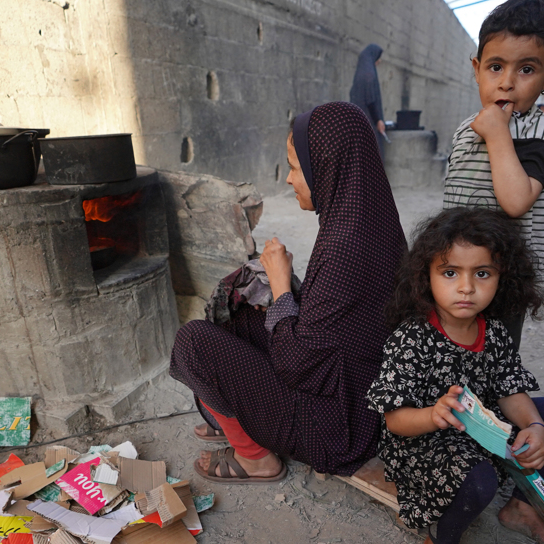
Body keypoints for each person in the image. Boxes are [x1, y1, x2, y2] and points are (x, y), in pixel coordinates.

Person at [168, 102, 406, 483]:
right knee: (241, 309)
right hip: (356, 400)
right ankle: (236, 419)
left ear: (325, 168)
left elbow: (298, 364)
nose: (290, 179)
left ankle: (255, 457)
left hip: (335, 430)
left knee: (193, 342)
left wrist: (280, 282)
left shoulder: (345, 248)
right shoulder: (371, 218)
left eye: (296, 167)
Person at [366, 207, 544, 544]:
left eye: (482, 273)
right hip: (426, 441)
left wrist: (536, 426)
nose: (467, 288)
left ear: (504, 277)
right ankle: (444, 537)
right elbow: (396, 420)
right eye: (450, 273)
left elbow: (510, 388)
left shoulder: (495, 332)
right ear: (425, 276)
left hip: (484, 427)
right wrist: (434, 414)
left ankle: (519, 506)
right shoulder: (412, 338)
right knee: (479, 480)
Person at [442, 0, 544, 353]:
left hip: (500, 281)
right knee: (447, 353)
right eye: (495, 67)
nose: (507, 82)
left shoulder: (541, 132)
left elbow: (516, 201)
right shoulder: (466, 127)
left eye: (526, 69)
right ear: (476, 68)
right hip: (454, 272)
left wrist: (498, 133)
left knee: (493, 361)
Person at [349, 44, 387, 157]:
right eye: (378, 57)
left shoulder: (361, 72)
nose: (379, 61)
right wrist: (378, 120)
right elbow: (370, 100)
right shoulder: (369, 74)